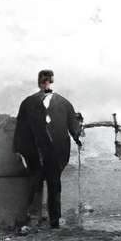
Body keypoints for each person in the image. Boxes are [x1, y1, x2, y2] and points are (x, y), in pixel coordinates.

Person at [13, 67, 83, 231]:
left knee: (53, 184)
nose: (46, 85)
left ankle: (54, 220)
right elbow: (21, 127)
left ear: (52, 82)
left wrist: (77, 135)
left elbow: (73, 126)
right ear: (39, 83)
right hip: (35, 151)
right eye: (43, 82)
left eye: (48, 81)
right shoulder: (29, 103)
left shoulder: (63, 103)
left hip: (56, 151)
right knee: (36, 184)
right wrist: (18, 149)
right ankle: (34, 219)